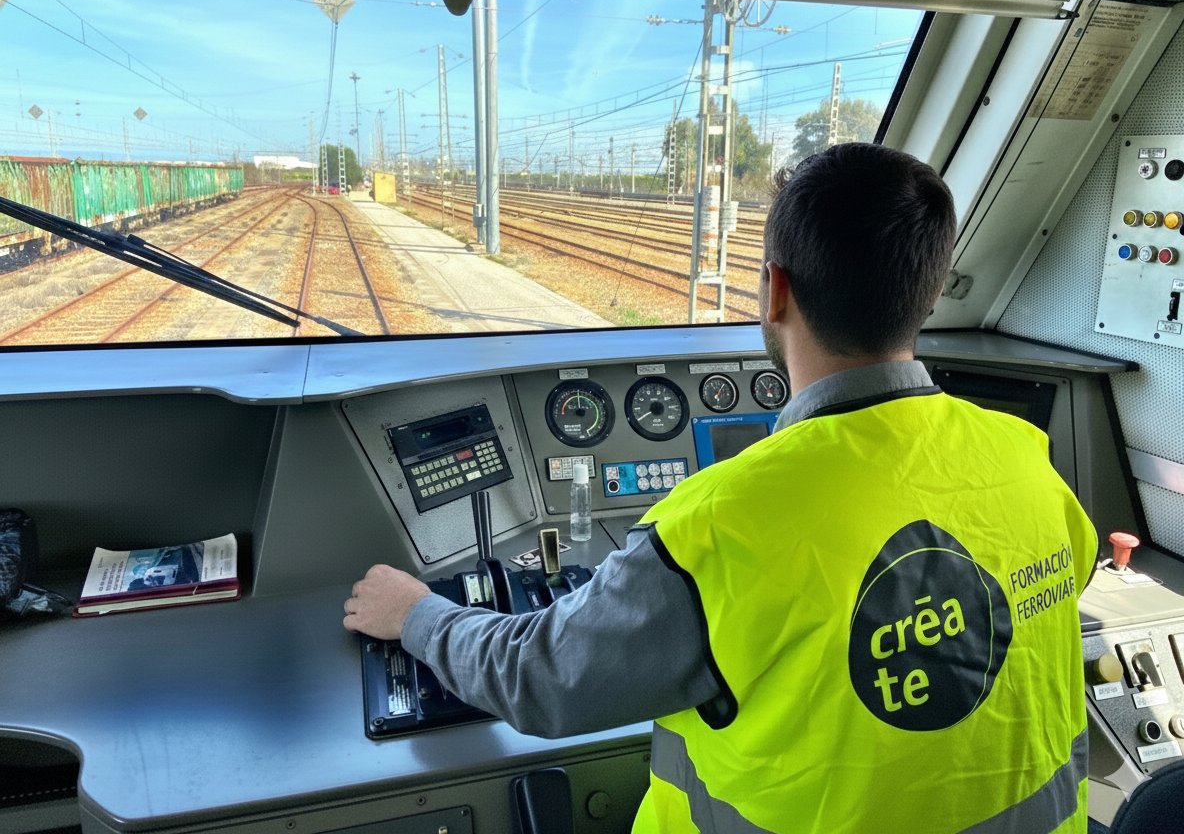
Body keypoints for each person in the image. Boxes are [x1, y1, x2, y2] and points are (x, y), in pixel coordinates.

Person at [343, 143, 1097, 834]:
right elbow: (1071, 566)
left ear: (775, 291)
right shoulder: (1022, 453)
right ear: (929, 295)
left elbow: (539, 679)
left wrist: (417, 616)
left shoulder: (717, 526)